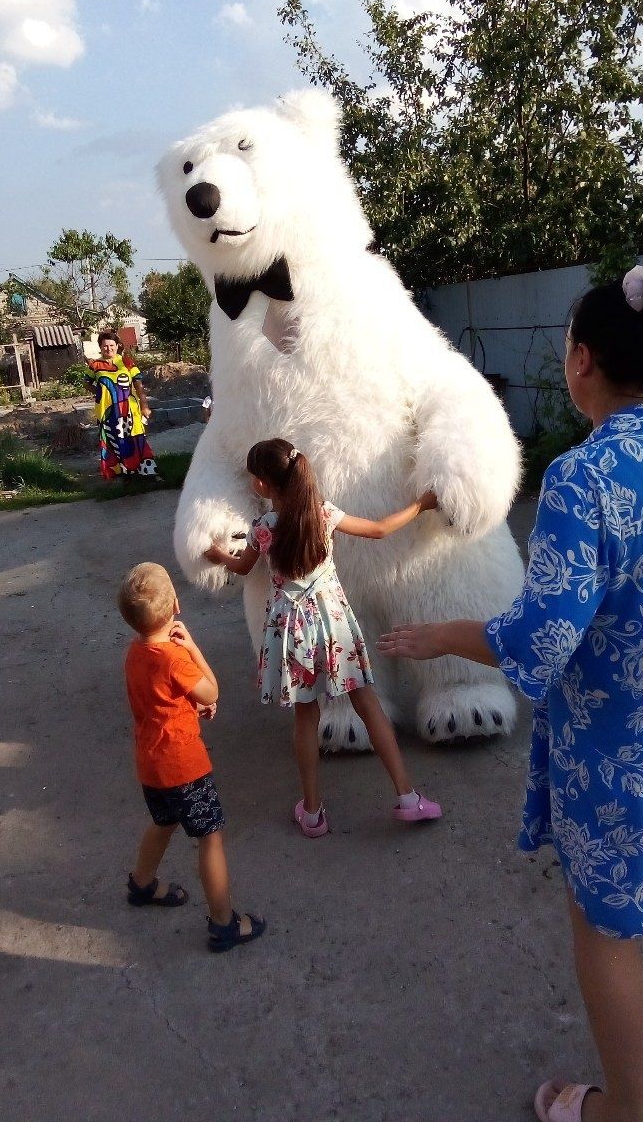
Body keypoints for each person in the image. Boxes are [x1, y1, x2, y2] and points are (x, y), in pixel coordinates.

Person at [378, 262, 643, 1122]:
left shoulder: (582, 479)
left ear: (583, 363)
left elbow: (538, 641)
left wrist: (438, 637)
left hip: (626, 748)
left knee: (607, 928)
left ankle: (622, 1114)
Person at [205, 437, 443, 838]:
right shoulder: (323, 514)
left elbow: (243, 568)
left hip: (292, 632)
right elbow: (381, 529)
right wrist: (422, 504)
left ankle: (313, 812)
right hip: (334, 626)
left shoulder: (263, 529)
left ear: (263, 485)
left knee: (305, 717)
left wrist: (218, 556)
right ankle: (407, 796)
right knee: (368, 704)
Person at [118, 561, 265, 953]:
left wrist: (188, 705)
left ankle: (142, 883)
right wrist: (194, 649)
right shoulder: (175, 658)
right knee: (210, 837)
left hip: (151, 764)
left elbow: (161, 699)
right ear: (175, 606)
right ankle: (224, 922)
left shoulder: (135, 653)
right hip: (184, 768)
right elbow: (212, 691)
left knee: (163, 822)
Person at [86, 331, 157, 480]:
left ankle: (144, 470)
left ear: (117, 346)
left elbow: (139, 386)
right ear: (100, 347)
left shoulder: (126, 362)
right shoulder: (95, 365)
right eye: (105, 346)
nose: (108, 348)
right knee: (113, 439)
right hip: (107, 411)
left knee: (134, 437)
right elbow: (86, 383)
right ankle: (120, 472)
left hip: (129, 409)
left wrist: (144, 405)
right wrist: (99, 393)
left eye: (111, 345)